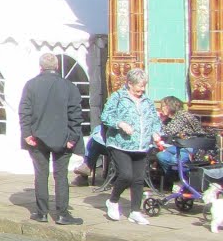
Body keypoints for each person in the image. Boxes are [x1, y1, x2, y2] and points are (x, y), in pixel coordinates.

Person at [18, 53, 85, 225]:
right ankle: (62, 214)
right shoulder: (68, 86)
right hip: (63, 138)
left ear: (40, 67)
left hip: (37, 137)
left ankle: (42, 213)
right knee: (61, 176)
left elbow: (24, 111)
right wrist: (73, 137)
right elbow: (76, 114)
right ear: (57, 67)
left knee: (41, 175)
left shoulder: (31, 85)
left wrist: (27, 134)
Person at [99, 68, 162, 225]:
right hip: (120, 144)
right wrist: (120, 123)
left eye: (143, 86)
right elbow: (106, 116)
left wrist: (155, 133)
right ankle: (112, 201)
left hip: (141, 146)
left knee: (139, 179)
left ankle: (135, 211)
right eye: (138, 86)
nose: (141, 89)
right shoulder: (118, 97)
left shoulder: (147, 101)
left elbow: (154, 120)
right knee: (126, 175)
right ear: (129, 83)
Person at [155, 95, 205, 178]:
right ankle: (176, 179)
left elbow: (168, 131)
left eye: (163, 106)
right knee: (161, 156)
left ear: (170, 106)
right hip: (180, 145)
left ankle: (186, 179)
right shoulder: (173, 118)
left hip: (193, 145)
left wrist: (161, 120)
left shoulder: (182, 115)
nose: (161, 108)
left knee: (175, 160)